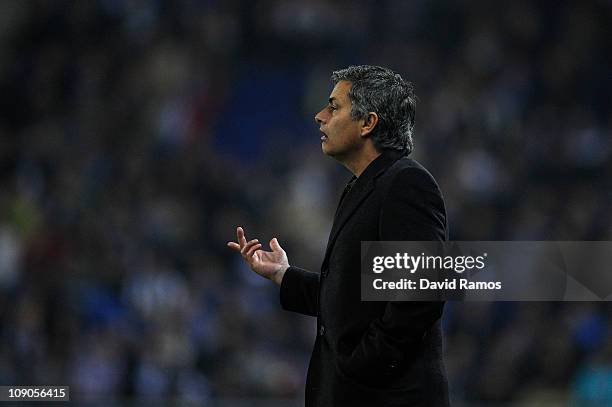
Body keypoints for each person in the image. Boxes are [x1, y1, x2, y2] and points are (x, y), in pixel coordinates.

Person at [227, 65, 449, 406]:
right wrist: (283, 275)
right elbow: (353, 299)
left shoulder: (405, 183)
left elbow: (422, 291)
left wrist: (364, 363)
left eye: (334, 107)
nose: (320, 116)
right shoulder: (364, 187)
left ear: (367, 123)